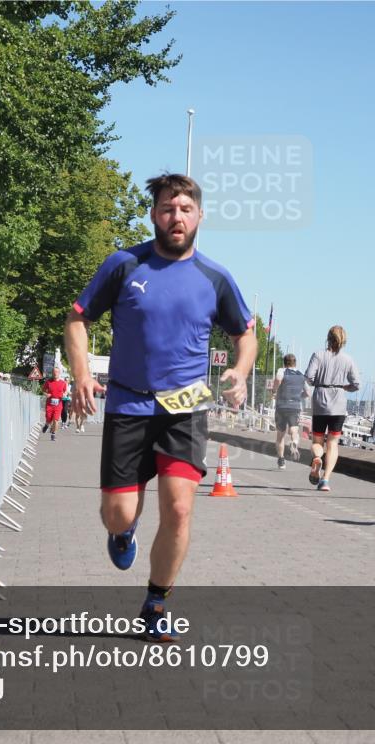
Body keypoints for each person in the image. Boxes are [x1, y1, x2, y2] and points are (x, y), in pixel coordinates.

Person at [64, 174, 256, 642]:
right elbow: (77, 318)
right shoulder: (124, 264)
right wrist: (82, 374)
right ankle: (124, 531)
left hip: (184, 409)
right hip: (129, 403)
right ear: (154, 214)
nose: (177, 217)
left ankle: (156, 602)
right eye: (168, 208)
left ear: (200, 216)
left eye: (186, 209)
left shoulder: (216, 277)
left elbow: (245, 334)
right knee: (118, 513)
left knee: (180, 510)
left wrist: (241, 370)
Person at [304, 326, 359, 492]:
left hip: (320, 401)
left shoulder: (318, 355)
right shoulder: (348, 360)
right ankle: (326, 480)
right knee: (333, 443)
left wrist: (317, 383)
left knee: (317, 441)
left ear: (328, 338)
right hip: (339, 404)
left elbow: (308, 377)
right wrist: (344, 387)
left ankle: (317, 457)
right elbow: (356, 384)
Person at [272, 354, 307, 469]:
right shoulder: (301, 375)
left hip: (281, 405)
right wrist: (299, 395)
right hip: (295, 406)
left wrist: (274, 390)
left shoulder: (282, 370)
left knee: (280, 435)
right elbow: (308, 392)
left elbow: (278, 378)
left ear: (285, 363)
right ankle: (294, 443)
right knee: (294, 430)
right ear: (295, 363)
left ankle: (281, 460)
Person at [42, 367, 68, 441]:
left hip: (58, 404)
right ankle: (47, 425)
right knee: (48, 419)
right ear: (52, 373)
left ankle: (53, 434)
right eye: (54, 372)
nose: (55, 373)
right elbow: (43, 390)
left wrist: (64, 394)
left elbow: (65, 391)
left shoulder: (63, 383)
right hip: (49, 404)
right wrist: (46, 394)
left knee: (56, 420)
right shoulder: (48, 382)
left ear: (59, 373)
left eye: (56, 372)